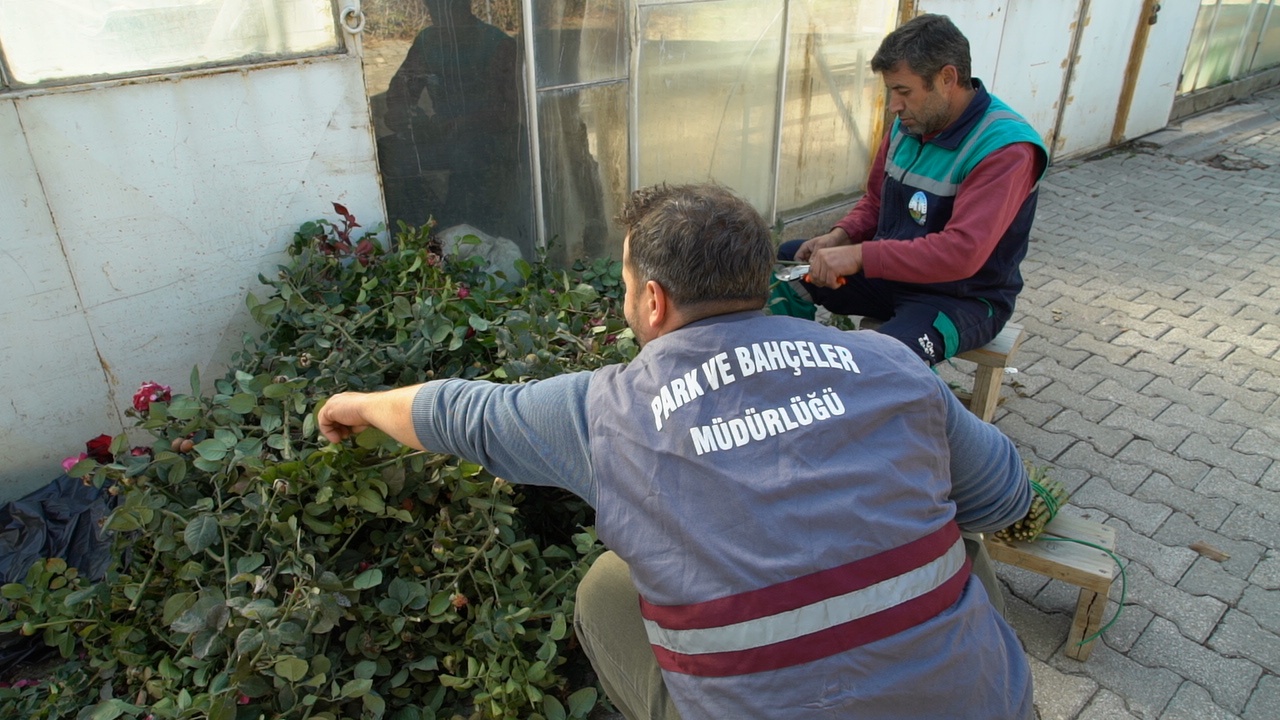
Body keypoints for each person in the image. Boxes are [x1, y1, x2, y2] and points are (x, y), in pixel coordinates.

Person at [317, 183, 1035, 719]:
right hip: (989, 705)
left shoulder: (605, 410)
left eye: (626, 288)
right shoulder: (887, 362)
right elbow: (1005, 495)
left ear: (652, 301)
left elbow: (461, 413)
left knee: (605, 587)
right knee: (953, 527)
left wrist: (351, 406)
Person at [775, 13, 1049, 366]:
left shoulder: (1004, 149)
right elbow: (875, 200)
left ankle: (913, 410)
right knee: (789, 261)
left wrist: (859, 256)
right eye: (891, 91)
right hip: (891, 278)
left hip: (960, 298)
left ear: (947, 78)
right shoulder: (910, 124)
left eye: (904, 91)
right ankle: (781, 370)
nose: (894, 106)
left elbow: (961, 253)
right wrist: (840, 237)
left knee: (879, 363)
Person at [377, 0, 529, 243]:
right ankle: (422, 224)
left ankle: (456, 227)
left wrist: (458, 124)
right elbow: (402, 89)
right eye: (434, 9)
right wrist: (400, 111)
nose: (440, 15)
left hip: (495, 141)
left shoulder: (497, 44)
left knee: (465, 156)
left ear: (464, 6)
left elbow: (506, 114)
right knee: (388, 152)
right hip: (445, 135)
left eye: (447, 8)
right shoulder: (428, 41)